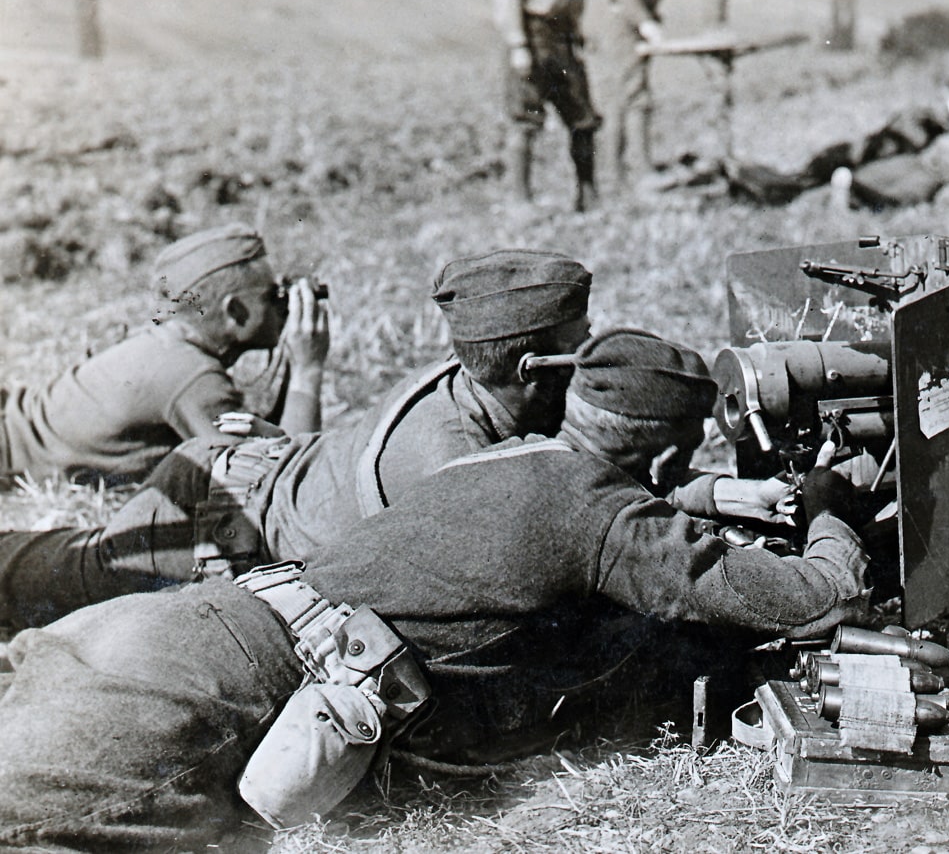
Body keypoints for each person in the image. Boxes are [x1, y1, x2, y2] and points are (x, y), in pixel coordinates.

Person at [0, 328, 870, 849]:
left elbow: (567, 508)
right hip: (204, 692)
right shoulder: (600, 518)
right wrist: (831, 506)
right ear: (670, 454)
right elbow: (823, 595)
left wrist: (697, 498)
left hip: (161, 628)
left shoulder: (511, 455)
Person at [0, 249, 595, 629]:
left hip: (238, 491)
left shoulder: (459, 377)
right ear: (532, 368)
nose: (588, 357)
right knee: (64, 573)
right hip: (222, 519)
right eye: (579, 343)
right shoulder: (456, 456)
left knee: (70, 555)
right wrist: (306, 371)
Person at [0, 223, 329, 487]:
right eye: (272, 296)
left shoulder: (168, 344)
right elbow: (283, 481)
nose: (283, 304)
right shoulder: (193, 378)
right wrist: (307, 369)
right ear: (235, 311)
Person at [493, 0, 601, 211]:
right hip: (532, 32)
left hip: (562, 34)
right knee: (525, 118)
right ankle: (520, 200)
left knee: (582, 116)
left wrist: (576, 29)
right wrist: (517, 42)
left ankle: (588, 196)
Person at [598, 0, 664, 193]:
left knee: (629, 94)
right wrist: (643, 20)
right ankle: (632, 172)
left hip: (634, 21)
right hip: (624, 24)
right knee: (630, 96)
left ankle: (625, 172)